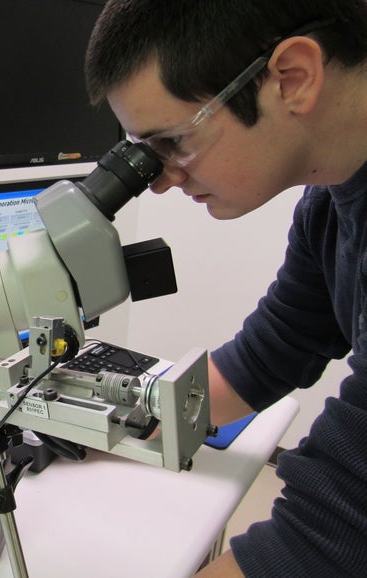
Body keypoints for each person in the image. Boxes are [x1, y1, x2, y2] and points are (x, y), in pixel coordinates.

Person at [85, 1, 367, 576]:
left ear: (293, 78)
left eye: (171, 144)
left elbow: (332, 532)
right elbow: (272, 353)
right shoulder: (332, 201)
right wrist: (100, 425)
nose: (161, 182)